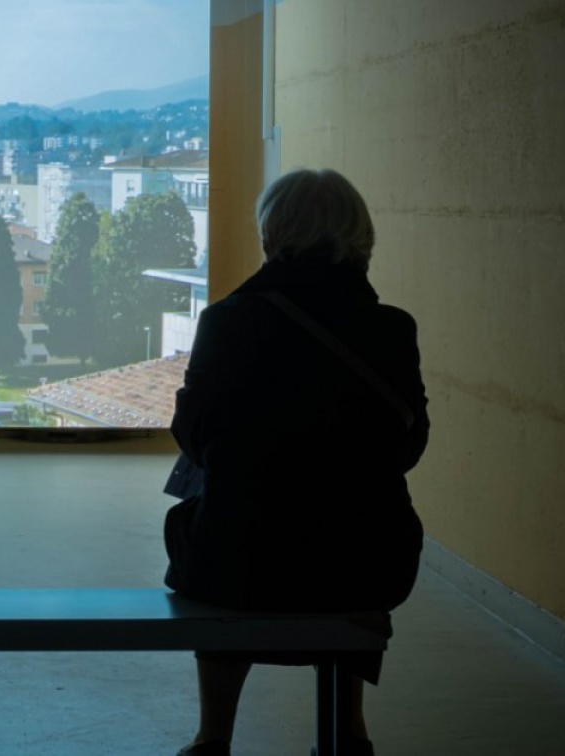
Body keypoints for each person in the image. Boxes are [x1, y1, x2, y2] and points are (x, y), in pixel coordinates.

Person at [164, 169, 429, 756]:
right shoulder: (392, 328)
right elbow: (408, 447)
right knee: (358, 526)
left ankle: (213, 737)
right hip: (367, 561)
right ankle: (348, 733)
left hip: (242, 563)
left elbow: (192, 433)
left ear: (272, 233)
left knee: (219, 521)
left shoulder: (227, 321)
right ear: (361, 236)